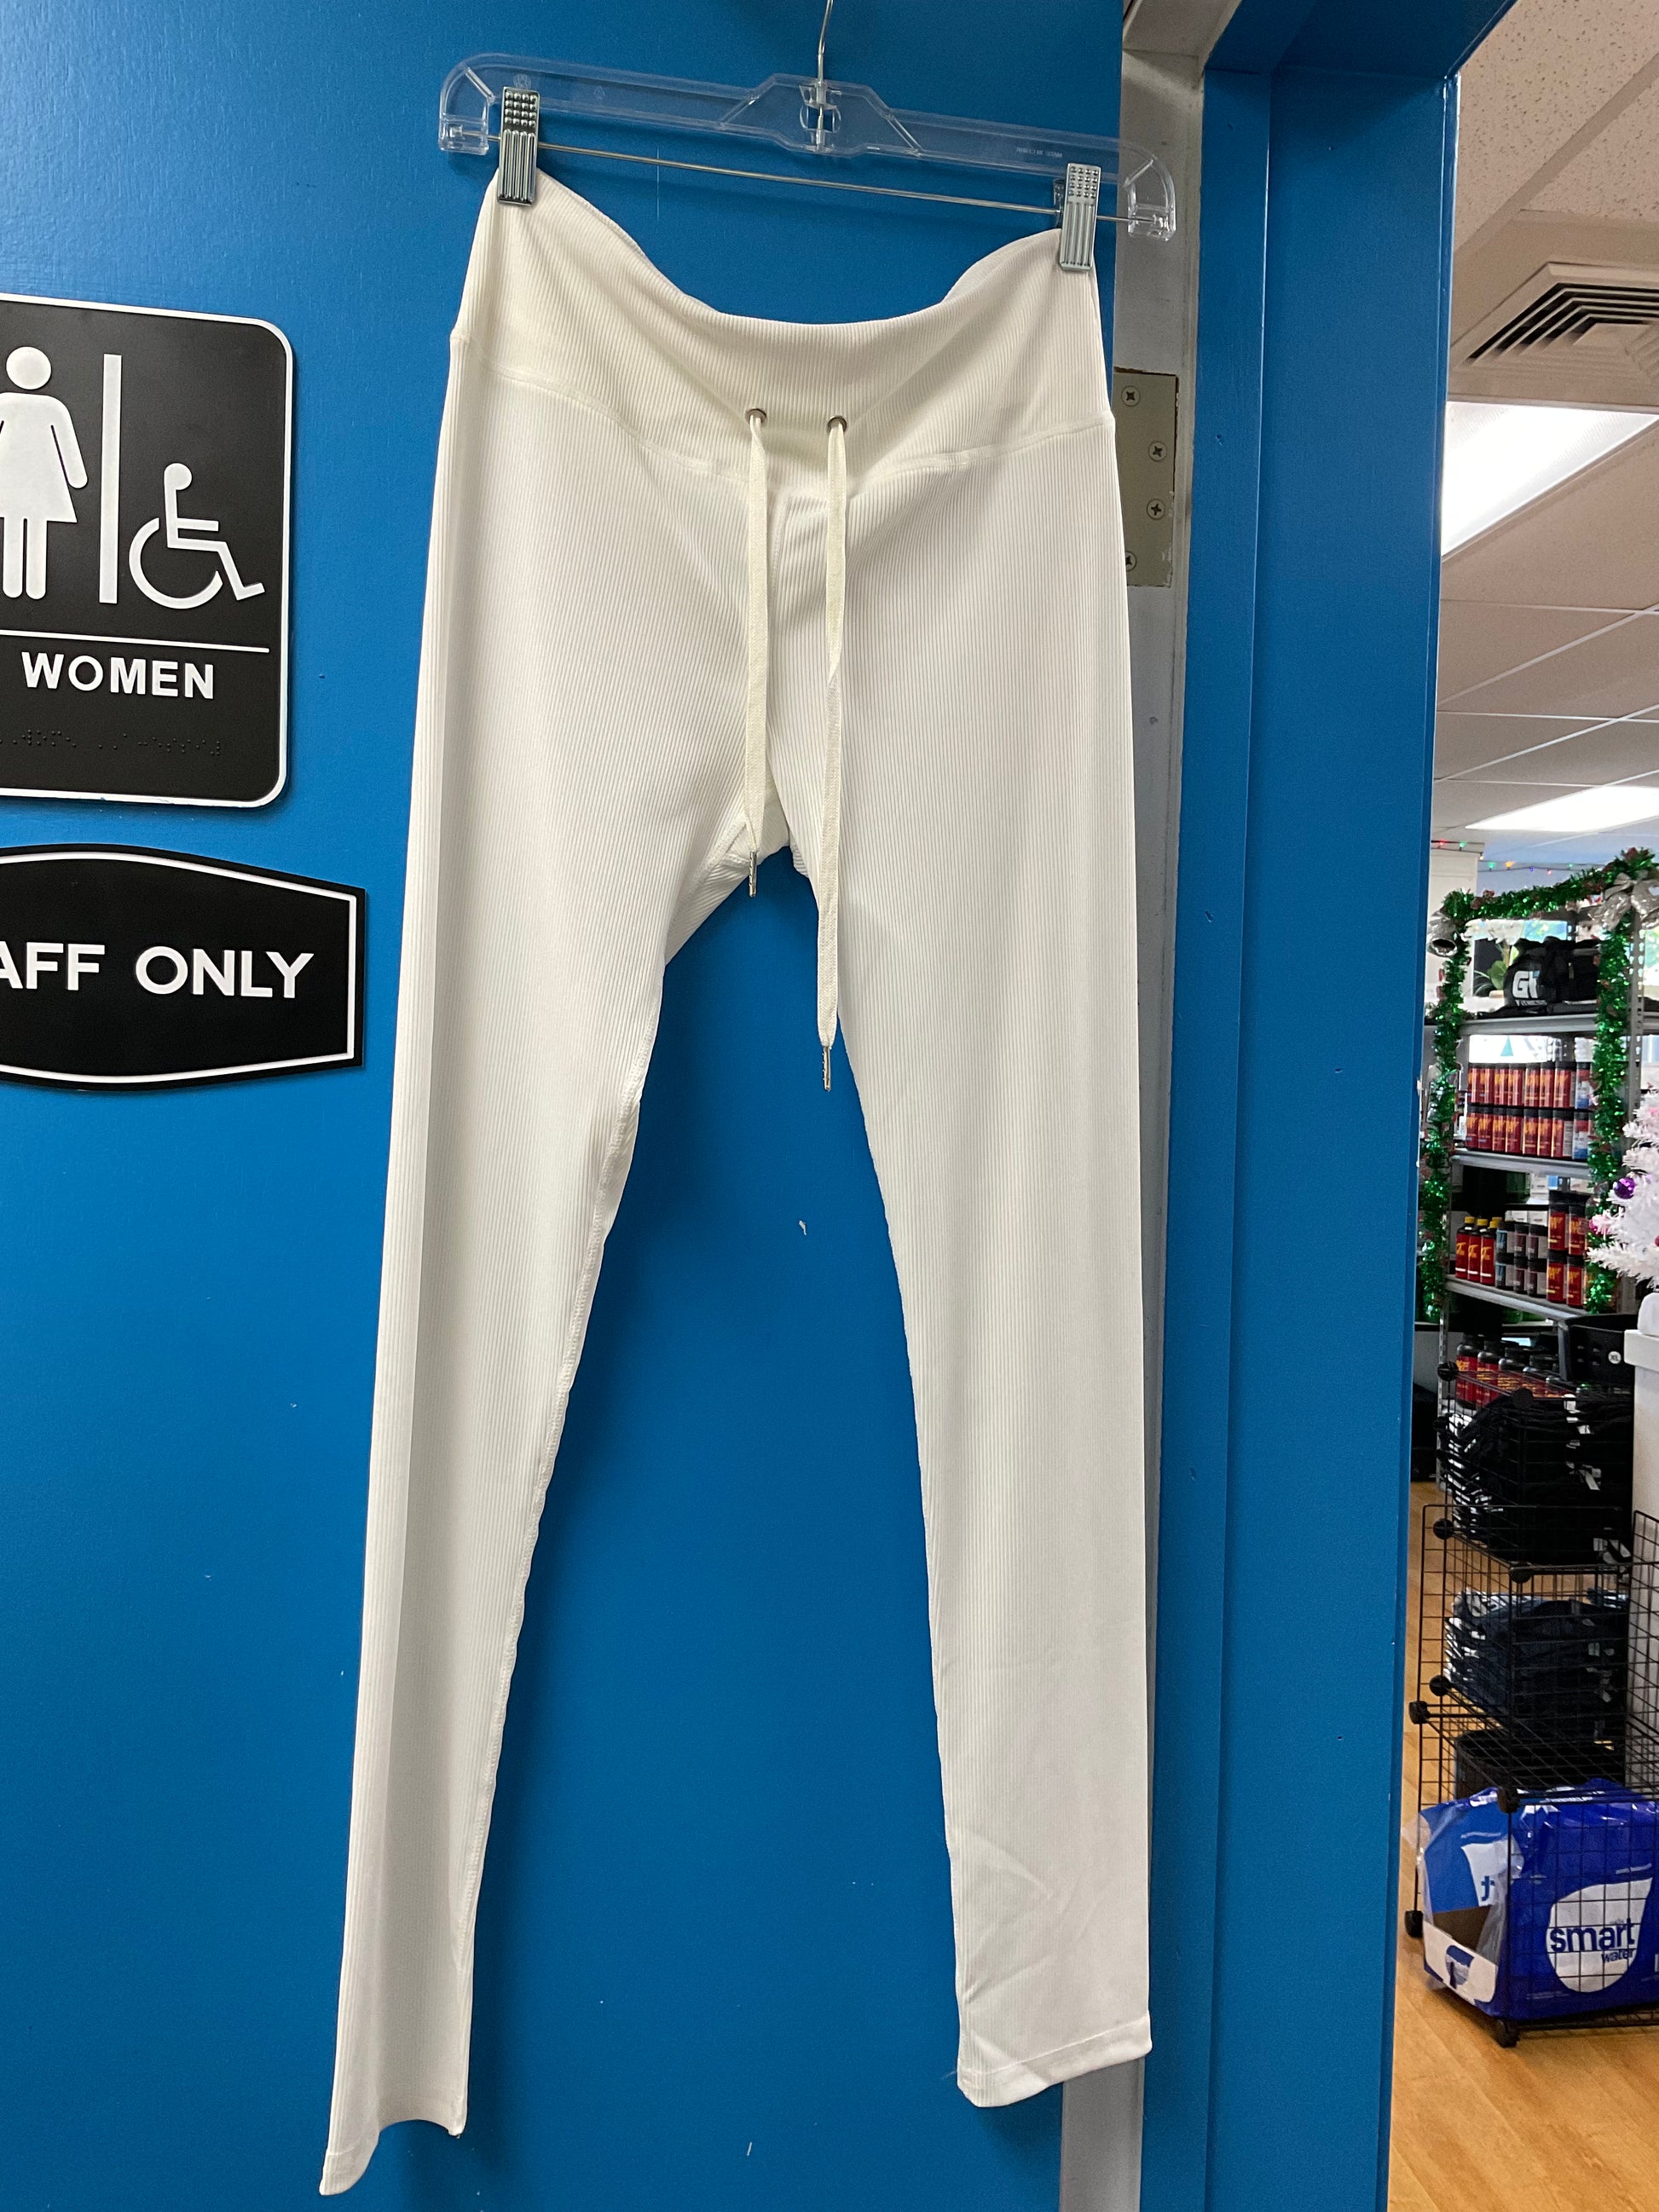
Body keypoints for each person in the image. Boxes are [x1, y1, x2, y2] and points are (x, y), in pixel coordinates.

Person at [0, 346, 87, 601]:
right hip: (40, 476)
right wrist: (76, 477)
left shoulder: (8, 402)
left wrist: (76, 476)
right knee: (32, 525)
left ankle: (18, 585)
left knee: (17, 524)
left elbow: (66, 442)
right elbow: (67, 446)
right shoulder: (51, 407)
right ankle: (28, 586)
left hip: (23, 474)